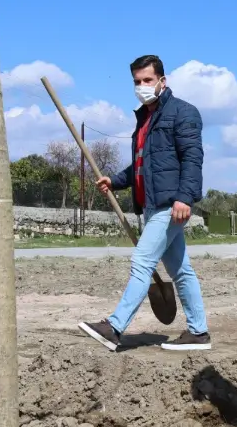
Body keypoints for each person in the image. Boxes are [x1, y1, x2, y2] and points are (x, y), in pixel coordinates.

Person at [78, 54, 212, 351]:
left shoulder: (183, 113)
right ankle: (199, 332)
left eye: (148, 80)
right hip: (152, 206)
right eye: (137, 82)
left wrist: (184, 198)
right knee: (181, 270)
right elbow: (143, 166)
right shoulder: (145, 121)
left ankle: (114, 327)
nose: (142, 86)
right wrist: (116, 180)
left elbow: (193, 158)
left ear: (162, 81)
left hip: (171, 205)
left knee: (142, 261)